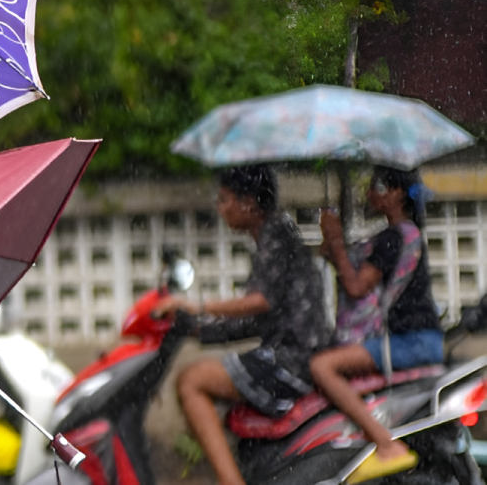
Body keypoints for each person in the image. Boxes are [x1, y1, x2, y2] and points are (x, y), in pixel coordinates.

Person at [155, 165, 329, 485]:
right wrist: (196, 328)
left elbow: (259, 301)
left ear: (248, 202)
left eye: (225, 200)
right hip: (291, 353)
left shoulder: (276, 233)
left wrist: (195, 305)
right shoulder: (272, 237)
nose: (221, 208)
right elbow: (256, 319)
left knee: (191, 381)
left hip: (292, 359)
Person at [310, 166, 440, 482]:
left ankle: (385, 444)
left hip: (409, 341)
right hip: (422, 338)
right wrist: (332, 240)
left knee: (322, 367)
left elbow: (355, 286)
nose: (370, 193)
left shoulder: (396, 238)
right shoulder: (402, 235)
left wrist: (337, 240)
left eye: (380, 187)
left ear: (397, 195)